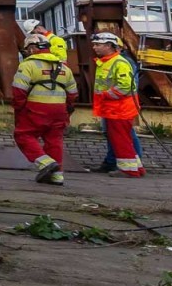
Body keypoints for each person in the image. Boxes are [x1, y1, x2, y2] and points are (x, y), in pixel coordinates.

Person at [12, 33, 77, 184]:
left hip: (36, 108)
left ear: (34, 48)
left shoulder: (27, 65)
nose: (26, 52)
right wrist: (66, 109)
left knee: (23, 135)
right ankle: (57, 176)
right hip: (59, 109)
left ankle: (45, 163)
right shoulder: (64, 68)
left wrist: (19, 108)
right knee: (54, 140)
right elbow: (73, 93)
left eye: (28, 49)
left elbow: (18, 91)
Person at [87, 32, 144, 177]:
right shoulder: (108, 61)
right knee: (124, 139)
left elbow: (125, 86)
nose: (94, 47)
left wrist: (106, 95)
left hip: (119, 109)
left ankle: (129, 171)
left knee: (121, 140)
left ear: (108, 46)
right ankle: (136, 167)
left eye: (98, 45)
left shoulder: (119, 62)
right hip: (114, 109)